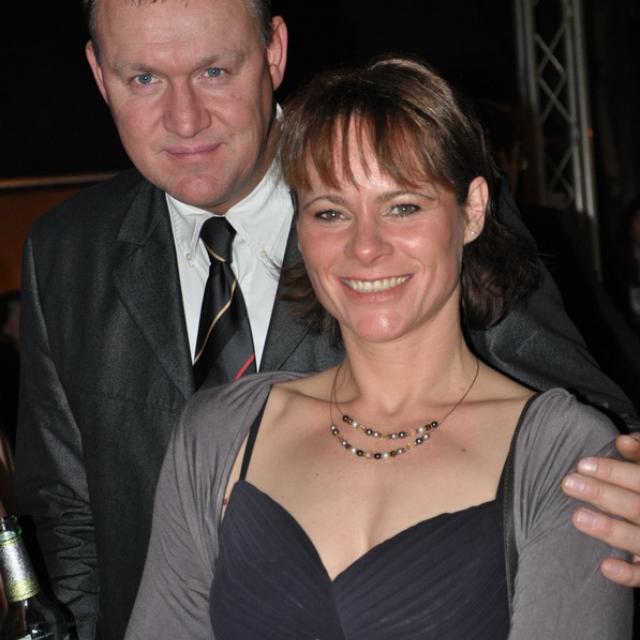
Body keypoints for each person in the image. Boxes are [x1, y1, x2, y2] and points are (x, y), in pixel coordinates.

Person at [12, 1, 640, 639]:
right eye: (144, 78)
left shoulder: (431, 205)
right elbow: (67, 521)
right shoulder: (67, 252)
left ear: (273, 53)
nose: (185, 118)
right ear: (99, 74)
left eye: (214, 71)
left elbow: (601, 442)